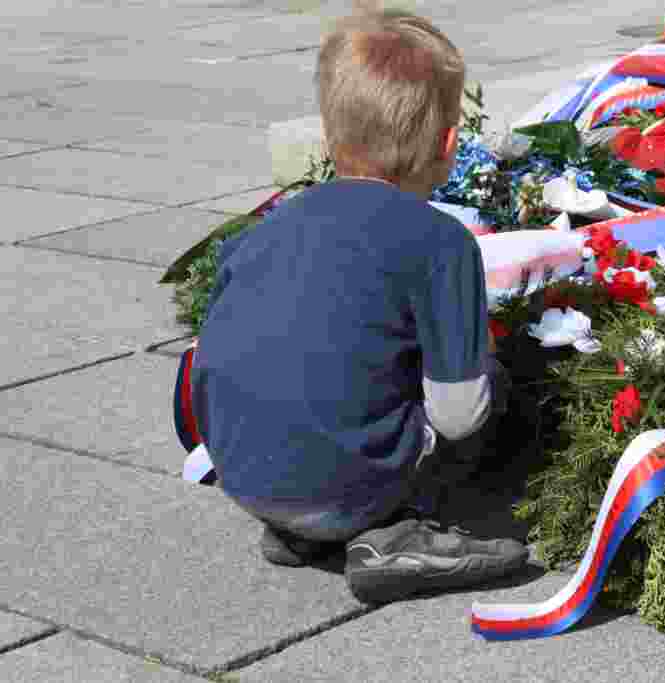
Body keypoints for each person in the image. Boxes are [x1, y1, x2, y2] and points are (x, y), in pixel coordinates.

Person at [190, 5, 528, 605]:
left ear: (329, 135)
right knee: (490, 384)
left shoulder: (264, 228)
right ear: (450, 145)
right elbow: (458, 415)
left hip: (240, 472)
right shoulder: (441, 241)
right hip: (349, 487)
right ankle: (391, 533)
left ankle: (298, 529)